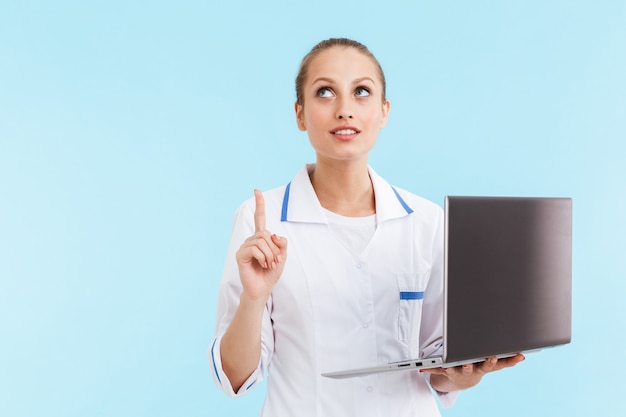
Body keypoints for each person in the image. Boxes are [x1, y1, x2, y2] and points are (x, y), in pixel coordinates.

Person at [209, 37, 524, 416]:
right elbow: (235, 377)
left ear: (384, 111)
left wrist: (466, 375)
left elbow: (438, 369)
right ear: (300, 114)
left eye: (362, 92)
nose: (345, 110)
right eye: (325, 92)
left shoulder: (426, 222)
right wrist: (254, 297)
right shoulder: (261, 220)